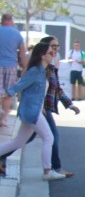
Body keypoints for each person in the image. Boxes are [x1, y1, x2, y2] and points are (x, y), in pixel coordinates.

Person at [0, 41, 66, 180]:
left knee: (18, 142)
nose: (53, 53)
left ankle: (48, 171)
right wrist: (5, 95)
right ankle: (47, 172)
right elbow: (20, 85)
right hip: (31, 111)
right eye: (50, 52)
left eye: (54, 51)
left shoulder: (43, 71)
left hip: (33, 110)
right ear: (42, 55)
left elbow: (39, 92)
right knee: (49, 138)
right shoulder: (35, 71)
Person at [39, 37, 79, 178]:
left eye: (57, 46)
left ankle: (2, 157)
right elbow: (28, 87)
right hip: (40, 110)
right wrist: (40, 106)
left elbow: (57, 90)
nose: (56, 50)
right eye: (53, 47)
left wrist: (70, 104)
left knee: (23, 139)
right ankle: (54, 169)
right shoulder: (40, 68)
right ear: (45, 49)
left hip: (43, 109)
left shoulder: (51, 67)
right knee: (52, 136)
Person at [0, 14, 26, 129]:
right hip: (11, 66)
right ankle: (4, 119)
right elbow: (23, 54)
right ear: (11, 21)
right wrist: (25, 68)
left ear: (2, 21)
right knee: (9, 92)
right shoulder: (17, 34)